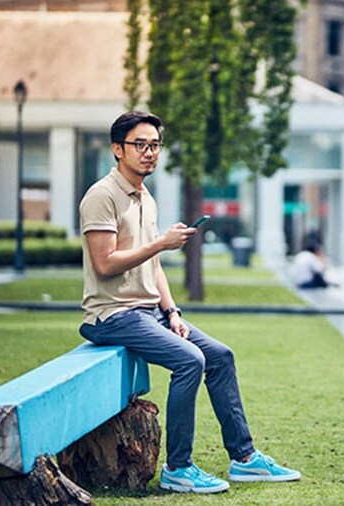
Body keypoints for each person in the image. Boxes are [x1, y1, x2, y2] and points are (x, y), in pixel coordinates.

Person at [77, 111, 300, 495]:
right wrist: (159, 243)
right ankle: (178, 468)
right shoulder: (102, 196)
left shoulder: (145, 195)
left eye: (155, 145)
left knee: (220, 356)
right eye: (140, 145)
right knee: (189, 360)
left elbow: (154, 264)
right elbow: (104, 263)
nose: (149, 153)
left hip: (149, 312)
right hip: (113, 314)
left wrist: (173, 312)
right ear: (117, 149)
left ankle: (244, 459)